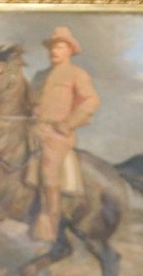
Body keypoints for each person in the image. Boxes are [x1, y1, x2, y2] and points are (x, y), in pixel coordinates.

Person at [26, 26, 100, 242]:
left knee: (49, 169)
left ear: (70, 50)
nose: (54, 51)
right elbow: (31, 103)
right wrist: (33, 112)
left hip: (58, 134)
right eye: (52, 47)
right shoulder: (39, 76)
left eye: (59, 47)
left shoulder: (77, 74)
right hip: (35, 129)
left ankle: (50, 220)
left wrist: (69, 124)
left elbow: (91, 101)